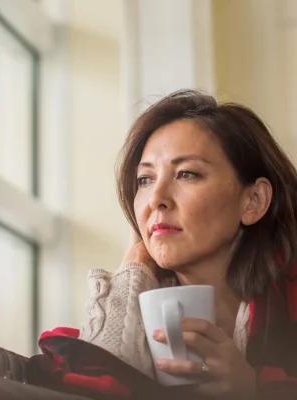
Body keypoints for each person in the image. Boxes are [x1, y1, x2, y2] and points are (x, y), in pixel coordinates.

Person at [75, 90, 297, 399]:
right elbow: (84, 386)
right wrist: (133, 269)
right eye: (145, 180)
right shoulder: (137, 300)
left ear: (253, 201)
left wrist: (257, 390)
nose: (156, 199)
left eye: (186, 174)